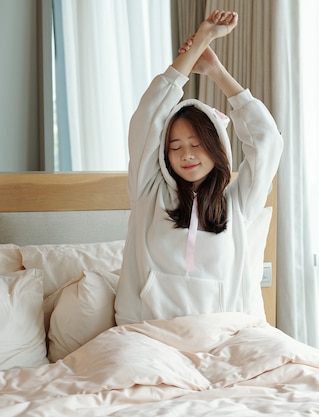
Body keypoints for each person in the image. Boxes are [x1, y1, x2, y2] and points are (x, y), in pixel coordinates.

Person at [114, 10, 283, 325]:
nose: (186, 155)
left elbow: (267, 142)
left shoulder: (237, 205)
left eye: (197, 144)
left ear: (216, 147)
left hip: (222, 335)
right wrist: (197, 46)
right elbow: (147, 118)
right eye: (175, 147)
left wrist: (217, 71)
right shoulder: (147, 192)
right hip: (148, 333)